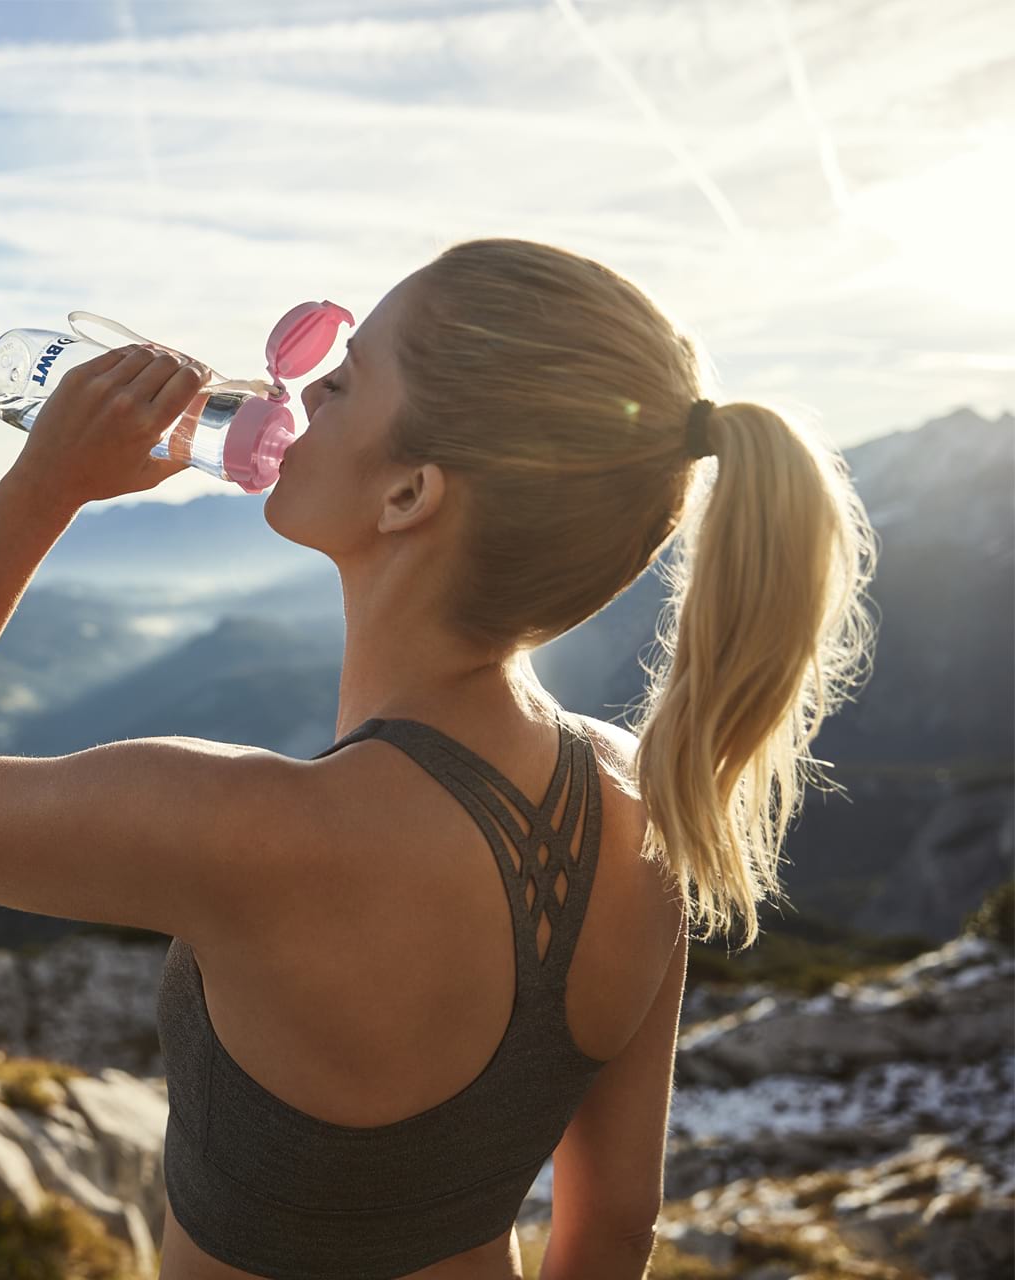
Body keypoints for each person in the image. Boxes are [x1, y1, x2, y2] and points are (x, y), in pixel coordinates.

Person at [155, 237, 878, 1279]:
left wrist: (50, 486)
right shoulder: (641, 801)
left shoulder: (257, 821)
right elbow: (611, 1223)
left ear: (409, 494)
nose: (301, 397)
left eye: (344, 380)